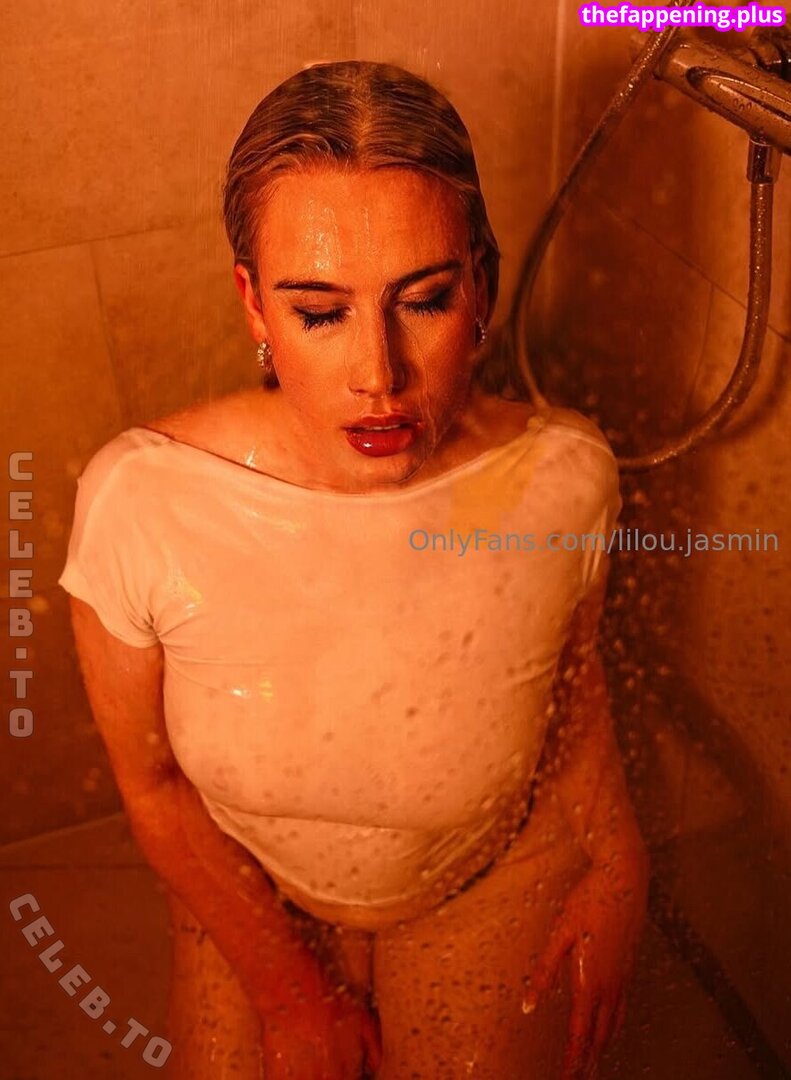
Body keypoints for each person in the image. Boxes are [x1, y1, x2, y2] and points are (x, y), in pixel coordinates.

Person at [58, 60, 649, 1079]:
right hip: (256, 879)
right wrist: (289, 991)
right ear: (253, 306)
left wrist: (615, 855)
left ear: (480, 287)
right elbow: (149, 785)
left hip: (490, 867)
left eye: (422, 300)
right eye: (319, 313)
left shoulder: (559, 477)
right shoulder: (144, 503)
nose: (379, 375)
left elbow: (571, 680)